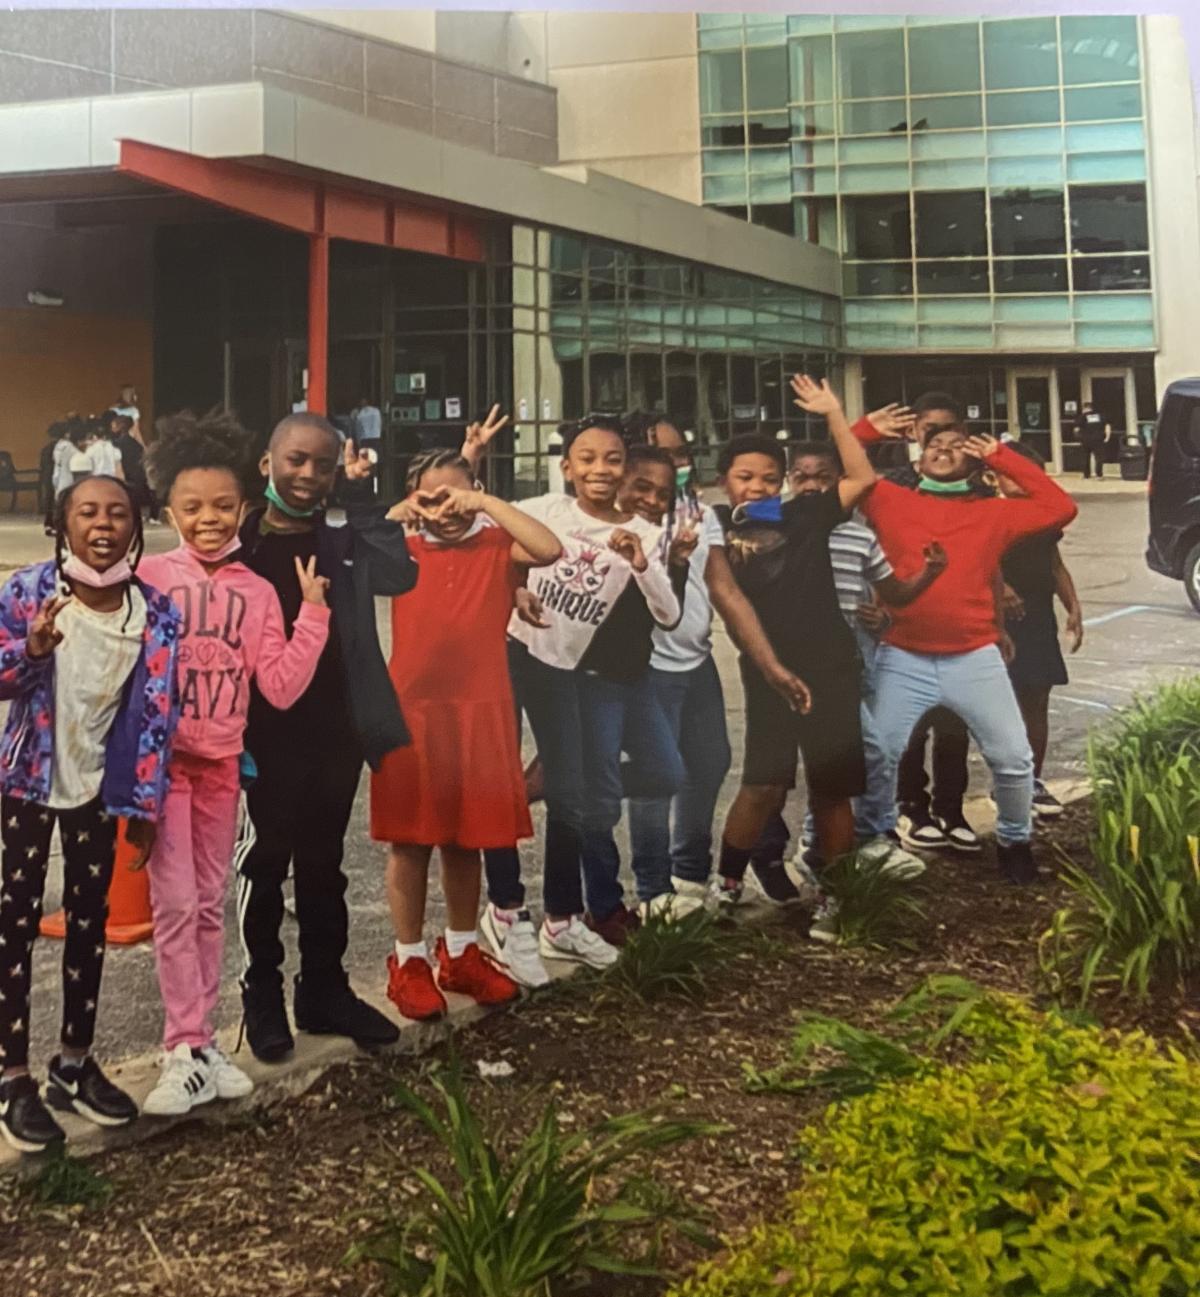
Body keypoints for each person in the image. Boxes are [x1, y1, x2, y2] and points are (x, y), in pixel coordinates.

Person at [138, 411, 332, 1117]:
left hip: (222, 769)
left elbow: (278, 685)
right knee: (175, 904)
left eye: (223, 506)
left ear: (244, 507)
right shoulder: (149, 578)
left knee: (209, 903)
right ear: (169, 510)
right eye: (192, 507)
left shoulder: (256, 590)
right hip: (164, 772)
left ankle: (205, 1043)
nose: (209, 519)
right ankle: (181, 1047)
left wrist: (313, 614)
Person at [0, 475, 181, 1153]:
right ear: (62, 522)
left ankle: (73, 1063)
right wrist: (31, 650)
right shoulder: (27, 592)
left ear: (136, 525)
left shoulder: (154, 613)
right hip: (27, 781)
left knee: (89, 922)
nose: (102, 525)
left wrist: (146, 804)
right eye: (87, 512)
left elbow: (158, 715)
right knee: (14, 924)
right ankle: (11, 1076)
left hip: (100, 792)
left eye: (117, 513)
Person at [234, 416, 415, 1063]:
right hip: (260, 735)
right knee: (264, 863)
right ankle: (261, 993)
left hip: (336, 728)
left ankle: (324, 989)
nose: (309, 475)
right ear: (267, 463)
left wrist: (363, 500)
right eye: (296, 460)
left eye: (324, 465)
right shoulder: (239, 544)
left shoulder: (344, 540)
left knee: (322, 863)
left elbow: (400, 573)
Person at [480, 416, 681, 977]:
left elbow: (669, 614)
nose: (600, 470)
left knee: (569, 796)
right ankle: (505, 909)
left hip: (563, 670)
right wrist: (515, 587)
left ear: (625, 467)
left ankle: (562, 920)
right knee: (502, 782)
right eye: (587, 459)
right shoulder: (547, 509)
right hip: (511, 652)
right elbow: (487, 540)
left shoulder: (643, 531)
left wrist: (640, 563)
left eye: (612, 459)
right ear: (567, 467)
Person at [372, 450, 562, 1020]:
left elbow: (550, 548)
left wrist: (483, 503)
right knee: (410, 841)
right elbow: (359, 542)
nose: (447, 510)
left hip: (481, 709)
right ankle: (408, 959)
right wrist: (403, 510)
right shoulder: (403, 548)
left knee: (467, 839)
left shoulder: (497, 544)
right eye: (432, 498)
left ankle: (460, 951)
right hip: (414, 709)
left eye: (457, 495)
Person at [855, 415, 1078, 885]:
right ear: (919, 458)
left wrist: (1001, 455)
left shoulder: (993, 513)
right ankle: (875, 840)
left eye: (958, 444)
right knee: (879, 755)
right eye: (935, 443)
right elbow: (841, 473)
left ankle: (1015, 842)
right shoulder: (889, 499)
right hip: (902, 654)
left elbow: (1059, 507)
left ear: (975, 464)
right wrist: (867, 430)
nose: (944, 448)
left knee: (1013, 758)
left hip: (975, 656)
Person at [714, 376, 875, 921]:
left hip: (830, 667)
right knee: (762, 784)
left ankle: (835, 894)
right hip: (767, 672)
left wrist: (834, 414)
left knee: (831, 789)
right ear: (723, 480)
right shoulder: (712, 527)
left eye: (769, 478)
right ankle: (727, 886)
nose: (757, 487)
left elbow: (862, 478)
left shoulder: (803, 514)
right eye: (745, 477)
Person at [755, 440, 947, 892]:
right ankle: (857, 839)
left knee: (848, 756)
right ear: (789, 482)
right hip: (794, 657)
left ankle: (833, 843)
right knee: (859, 752)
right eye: (801, 477)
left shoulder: (860, 536)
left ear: (840, 482)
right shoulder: (780, 528)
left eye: (823, 478)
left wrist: (925, 577)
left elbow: (892, 593)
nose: (812, 486)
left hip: (852, 653)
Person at [995, 441, 1084, 820]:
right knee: (1002, 705)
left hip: (1039, 617)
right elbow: (975, 560)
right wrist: (1000, 588)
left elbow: (1055, 564)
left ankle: (1032, 779)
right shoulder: (990, 514)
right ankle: (1006, 780)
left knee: (1037, 700)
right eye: (1012, 473)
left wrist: (1073, 606)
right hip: (999, 622)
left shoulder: (1045, 517)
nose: (1019, 481)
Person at [39, 420, 68, 536]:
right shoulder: (65, 448)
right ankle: (59, 523)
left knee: (49, 499)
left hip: (48, 476)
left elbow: (42, 465)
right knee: (61, 501)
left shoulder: (46, 448)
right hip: (62, 476)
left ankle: (49, 523)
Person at [1078, 402, 1110, 479]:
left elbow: (1077, 428)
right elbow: (1107, 426)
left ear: (1085, 408)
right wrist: (1107, 437)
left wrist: (1079, 437)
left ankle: (1086, 475)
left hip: (1086, 439)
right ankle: (1099, 475)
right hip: (1098, 439)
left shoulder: (1083, 416)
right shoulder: (1100, 416)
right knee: (1099, 458)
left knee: (1085, 457)